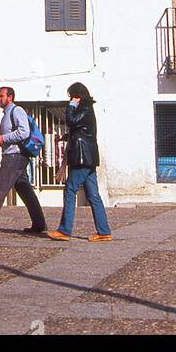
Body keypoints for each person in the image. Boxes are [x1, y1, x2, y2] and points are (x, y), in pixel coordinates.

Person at [0, 86, 48, 235]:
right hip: (13, 156)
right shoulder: (7, 114)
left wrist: (3, 139)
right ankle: (39, 224)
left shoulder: (16, 111)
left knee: (0, 189)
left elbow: (24, 132)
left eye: (1, 96)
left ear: (10, 97)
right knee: (26, 192)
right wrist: (0, 140)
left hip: (14, 157)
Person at [48, 83, 112, 242]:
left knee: (70, 190)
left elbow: (71, 121)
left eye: (72, 96)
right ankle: (104, 231)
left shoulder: (84, 108)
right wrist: (66, 137)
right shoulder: (87, 109)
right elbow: (81, 129)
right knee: (93, 195)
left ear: (77, 95)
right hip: (88, 157)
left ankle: (64, 230)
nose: (70, 99)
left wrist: (71, 106)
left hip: (82, 157)